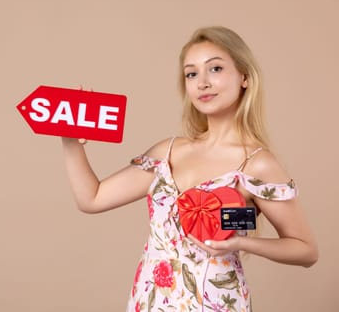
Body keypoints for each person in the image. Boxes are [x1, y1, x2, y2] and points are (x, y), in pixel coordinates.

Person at [60, 26, 318, 311]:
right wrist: (71, 142)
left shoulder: (256, 163)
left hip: (214, 303)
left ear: (244, 77)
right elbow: (92, 198)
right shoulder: (167, 152)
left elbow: (305, 250)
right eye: (191, 74)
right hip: (149, 301)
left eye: (215, 69)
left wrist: (241, 244)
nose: (202, 83)